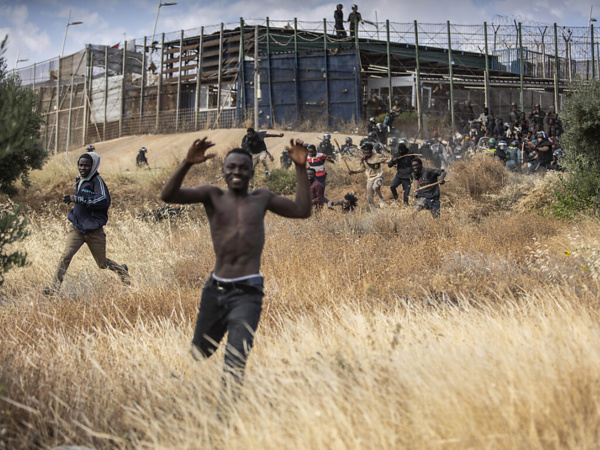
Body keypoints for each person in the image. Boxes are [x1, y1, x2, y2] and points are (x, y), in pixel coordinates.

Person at [160, 137, 311, 391]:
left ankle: (226, 417)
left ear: (252, 172)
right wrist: (187, 163)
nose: (237, 172)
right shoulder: (212, 196)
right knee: (200, 352)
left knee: (236, 358)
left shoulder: (261, 198)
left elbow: (302, 210)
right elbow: (168, 196)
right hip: (215, 290)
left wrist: (300, 168)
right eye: (231, 167)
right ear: (223, 171)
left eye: (243, 167)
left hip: (248, 292)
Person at [43, 152, 130, 295]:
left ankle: (121, 271)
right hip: (77, 228)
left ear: (93, 166)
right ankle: (54, 288)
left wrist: (79, 200)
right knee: (65, 256)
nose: (82, 168)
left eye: (86, 165)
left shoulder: (97, 181)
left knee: (102, 264)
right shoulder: (79, 179)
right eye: (80, 165)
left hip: (94, 230)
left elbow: (103, 201)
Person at [348, 142, 388, 210]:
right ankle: (373, 211)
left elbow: (386, 160)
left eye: (368, 150)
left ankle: (382, 200)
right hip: (370, 178)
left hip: (378, 175)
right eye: (365, 150)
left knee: (376, 187)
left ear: (371, 149)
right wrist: (354, 171)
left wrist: (393, 161)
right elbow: (362, 169)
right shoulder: (363, 159)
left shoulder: (377, 156)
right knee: (369, 196)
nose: (366, 151)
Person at [388, 138, 416, 205]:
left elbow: (416, 163)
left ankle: (405, 206)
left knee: (406, 195)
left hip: (407, 176)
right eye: (399, 150)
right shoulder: (397, 154)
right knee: (392, 186)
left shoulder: (410, 154)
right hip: (399, 175)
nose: (400, 151)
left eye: (401, 150)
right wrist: (393, 161)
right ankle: (396, 199)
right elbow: (389, 165)